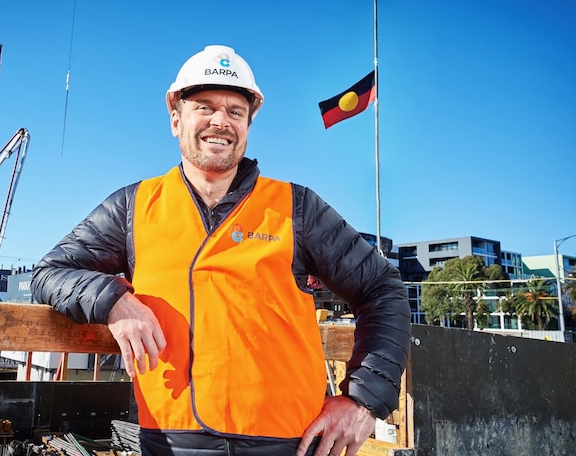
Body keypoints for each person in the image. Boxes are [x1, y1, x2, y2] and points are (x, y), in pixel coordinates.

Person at [32, 45, 411, 456]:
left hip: (291, 442)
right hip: (171, 441)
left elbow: (382, 288)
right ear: (176, 118)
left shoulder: (297, 208)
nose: (221, 121)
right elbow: (51, 272)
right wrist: (113, 302)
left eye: (235, 111)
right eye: (205, 107)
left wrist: (363, 400)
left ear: (248, 125)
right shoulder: (134, 206)